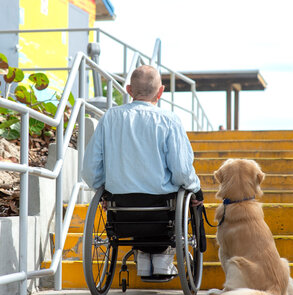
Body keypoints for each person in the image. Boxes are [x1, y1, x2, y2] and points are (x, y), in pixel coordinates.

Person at [82, 64, 203, 277]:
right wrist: (196, 188)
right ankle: (161, 260)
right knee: (181, 194)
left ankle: (145, 261)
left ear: (128, 90)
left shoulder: (110, 117)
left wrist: (100, 188)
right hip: (162, 209)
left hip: (121, 210)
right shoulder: (169, 120)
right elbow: (182, 170)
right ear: (161, 91)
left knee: (132, 208)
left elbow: (90, 168)